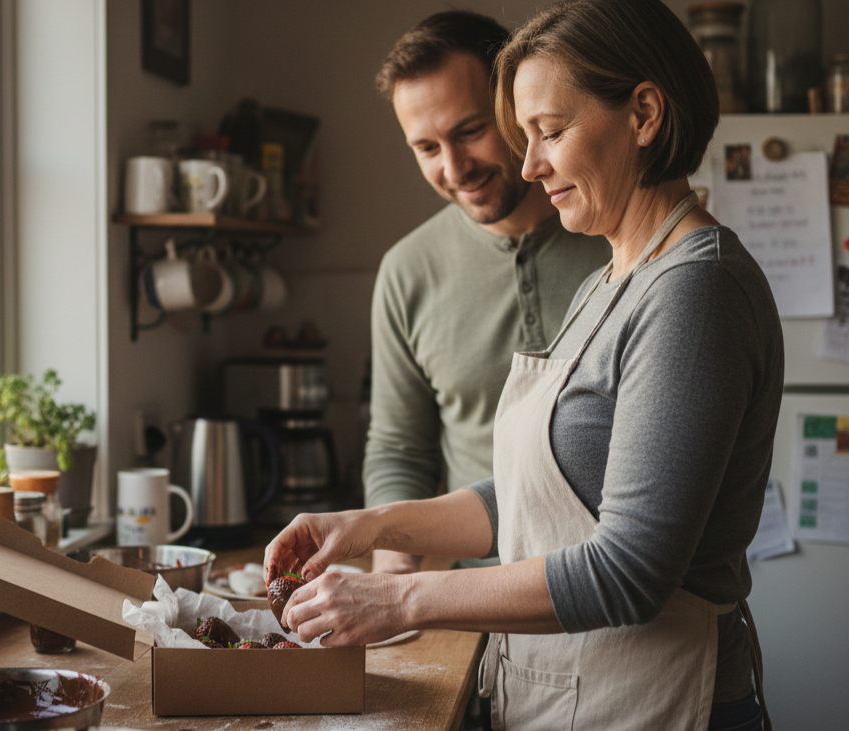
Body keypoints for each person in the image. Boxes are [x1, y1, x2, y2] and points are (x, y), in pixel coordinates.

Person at [264, 1, 783, 729]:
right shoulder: (616, 275)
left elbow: (629, 571)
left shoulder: (697, 289)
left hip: (666, 701)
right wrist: (371, 524)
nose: (531, 164)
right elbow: (538, 489)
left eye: (549, 131)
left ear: (642, 114)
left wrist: (399, 599)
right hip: (578, 691)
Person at [366, 10, 610, 574]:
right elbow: (399, 448)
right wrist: (392, 564)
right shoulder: (406, 271)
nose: (455, 169)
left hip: (618, 589)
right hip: (478, 596)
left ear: (514, 107)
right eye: (426, 148)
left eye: (469, 131)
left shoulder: (615, 235)